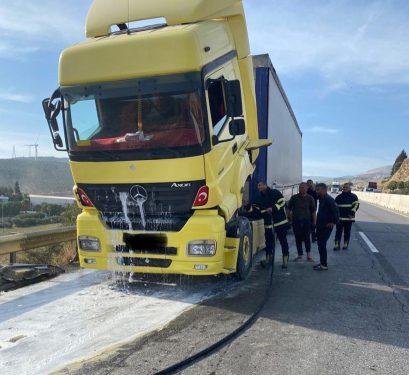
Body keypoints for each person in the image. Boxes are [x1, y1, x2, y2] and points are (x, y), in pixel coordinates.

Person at [254, 181, 290, 269]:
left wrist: (273, 208)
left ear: (265, 185)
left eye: (260, 185)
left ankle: (285, 260)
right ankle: (268, 260)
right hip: (268, 223)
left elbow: (282, 202)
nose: (258, 187)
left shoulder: (275, 193)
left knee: (283, 241)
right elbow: (257, 209)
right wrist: (248, 207)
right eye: (257, 186)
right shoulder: (259, 197)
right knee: (269, 242)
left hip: (280, 221)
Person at [288, 182, 317, 262]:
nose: (301, 189)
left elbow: (313, 211)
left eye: (303, 187)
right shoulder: (294, 197)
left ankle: (308, 255)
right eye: (300, 187)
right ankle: (299, 255)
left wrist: (314, 221)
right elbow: (289, 208)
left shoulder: (310, 198)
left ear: (307, 188)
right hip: (296, 221)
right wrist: (290, 218)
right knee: (298, 238)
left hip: (306, 221)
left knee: (307, 238)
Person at [314, 183, 339, 271]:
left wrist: (333, 222)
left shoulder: (329, 200)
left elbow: (336, 212)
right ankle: (322, 263)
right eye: (316, 189)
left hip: (326, 226)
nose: (316, 191)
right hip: (320, 225)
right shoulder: (322, 199)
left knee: (322, 245)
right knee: (320, 245)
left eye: (318, 190)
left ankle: (324, 265)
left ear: (324, 190)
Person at [334, 182, 360, 250]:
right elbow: (334, 207)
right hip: (340, 218)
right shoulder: (339, 197)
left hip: (349, 218)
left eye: (346, 187)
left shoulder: (353, 196)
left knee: (347, 232)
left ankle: (346, 244)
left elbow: (356, 205)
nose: (345, 189)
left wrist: (352, 212)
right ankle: (337, 244)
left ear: (349, 188)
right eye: (344, 187)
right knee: (338, 232)